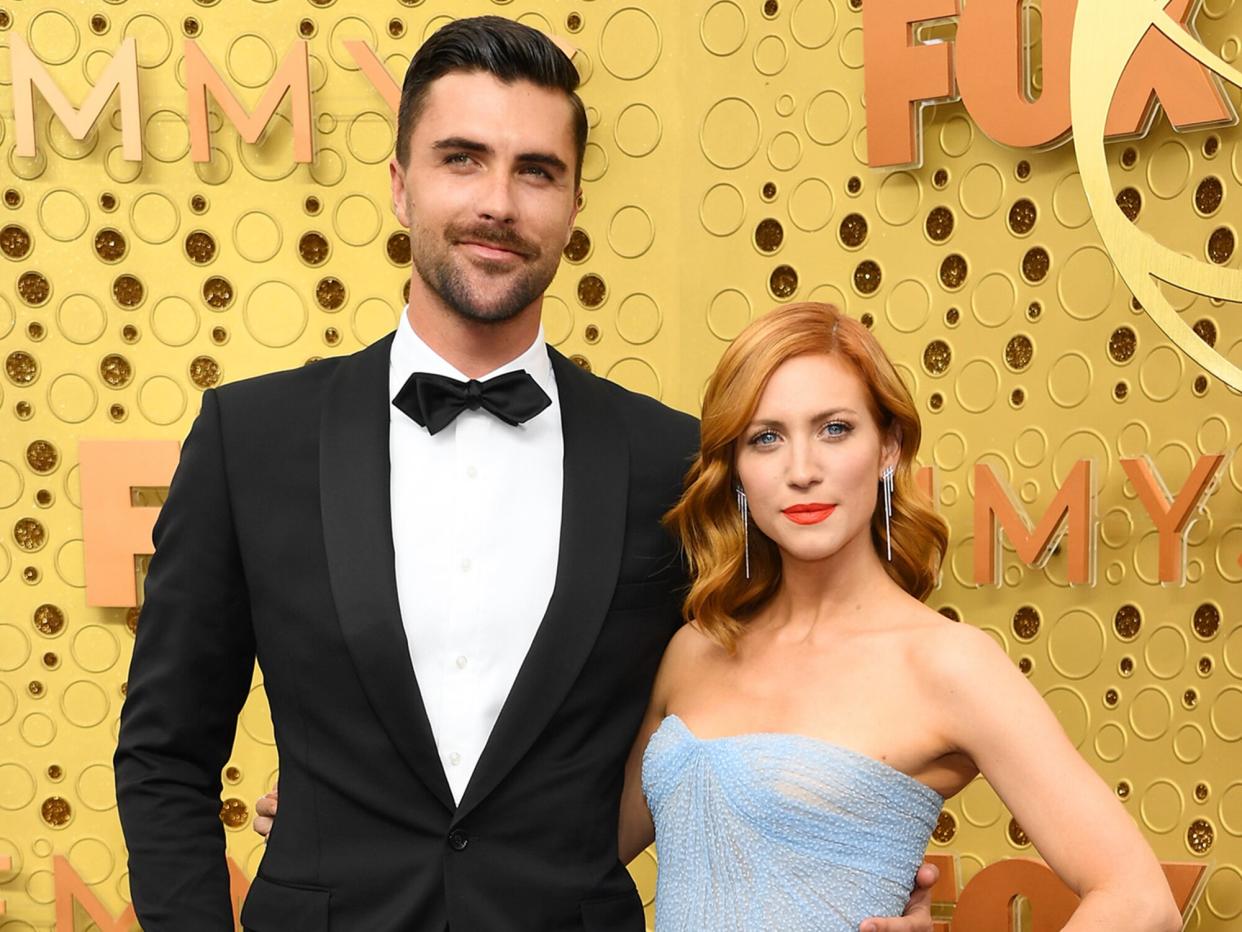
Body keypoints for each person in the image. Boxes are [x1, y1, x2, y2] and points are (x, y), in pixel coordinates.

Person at [115, 17, 936, 932]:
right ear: (399, 186)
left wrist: (858, 868)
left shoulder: (672, 462)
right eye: (461, 159)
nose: (498, 203)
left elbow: (789, 681)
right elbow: (165, 752)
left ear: (575, 206)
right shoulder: (252, 438)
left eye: (536, 170)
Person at [610, 303, 1181, 931]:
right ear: (739, 471)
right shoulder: (696, 648)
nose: (802, 470)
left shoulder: (946, 663)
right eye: (765, 437)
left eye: (834, 429)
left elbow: (1139, 901)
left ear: (888, 447)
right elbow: (577, 857)